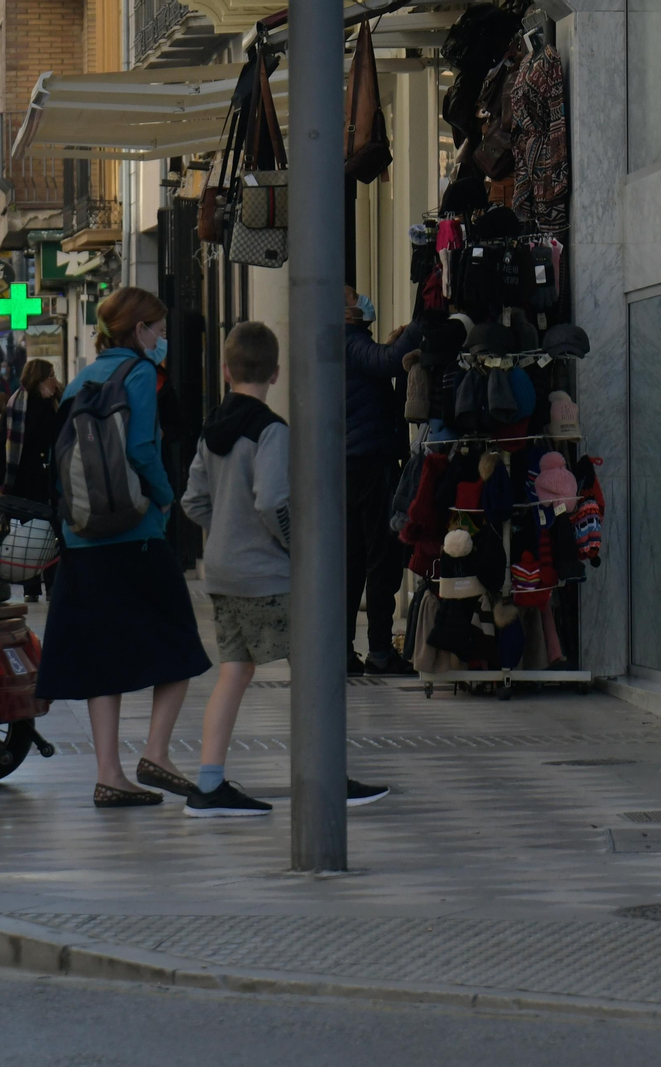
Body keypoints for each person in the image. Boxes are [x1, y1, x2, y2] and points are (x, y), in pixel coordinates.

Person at [180, 323, 390, 817]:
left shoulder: (211, 430)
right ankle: (326, 777)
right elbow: (273, 498)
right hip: (269, 574)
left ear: (227, 371)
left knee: (234, 671)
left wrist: (228, 532)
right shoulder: (272, 431)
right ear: (276, 372)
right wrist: (297, 548)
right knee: (317, 668)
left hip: (224, 572)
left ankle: (208, 784)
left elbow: (193, 500)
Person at [34, 286, 211, 807]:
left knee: (99, 654)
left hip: (82, 536)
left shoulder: (82, 379)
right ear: (138, 331)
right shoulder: (137, 374)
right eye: (156, 329)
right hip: (133, 534)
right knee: (181, 640)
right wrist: (163, 495)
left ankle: (109, 772)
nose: (161, 338)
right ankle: (156, 751)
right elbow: (139, 448)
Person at [344, 286, 421, 676]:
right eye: (353, 296)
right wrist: (422, 320)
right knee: (380, 559)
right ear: (346, 314)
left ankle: (343, 649)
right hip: (370, 465)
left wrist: (390, 345)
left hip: (348, 467)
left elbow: (380, 360)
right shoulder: (349, 342)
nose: (362, 299)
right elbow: (389, 361)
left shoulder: (345, 345)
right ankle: (379, 650)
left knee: (353, 560)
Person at [0, 357, 63, 602]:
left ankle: (53, 585)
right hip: (23, 479)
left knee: (52, 531)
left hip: (50, 478)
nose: (55, 380)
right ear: (39, 378)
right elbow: (3, 440)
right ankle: (32, 586)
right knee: (29, 533)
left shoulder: (54, 402)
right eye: (51, 375)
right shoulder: (17, 405)